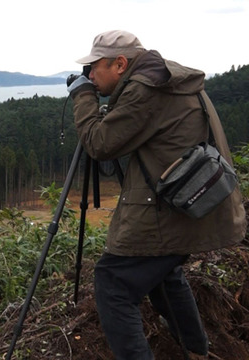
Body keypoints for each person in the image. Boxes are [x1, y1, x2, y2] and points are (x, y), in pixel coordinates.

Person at [66, 30, 246, 359]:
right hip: (194, 203)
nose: (90, 75)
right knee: (163, 272)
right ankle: (196, 351)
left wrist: (83, 98)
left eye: (94, 67)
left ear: (120, 64)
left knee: (113, 283)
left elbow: (99, 144)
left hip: (173, 208)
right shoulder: (167, 76)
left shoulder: (146, 90)